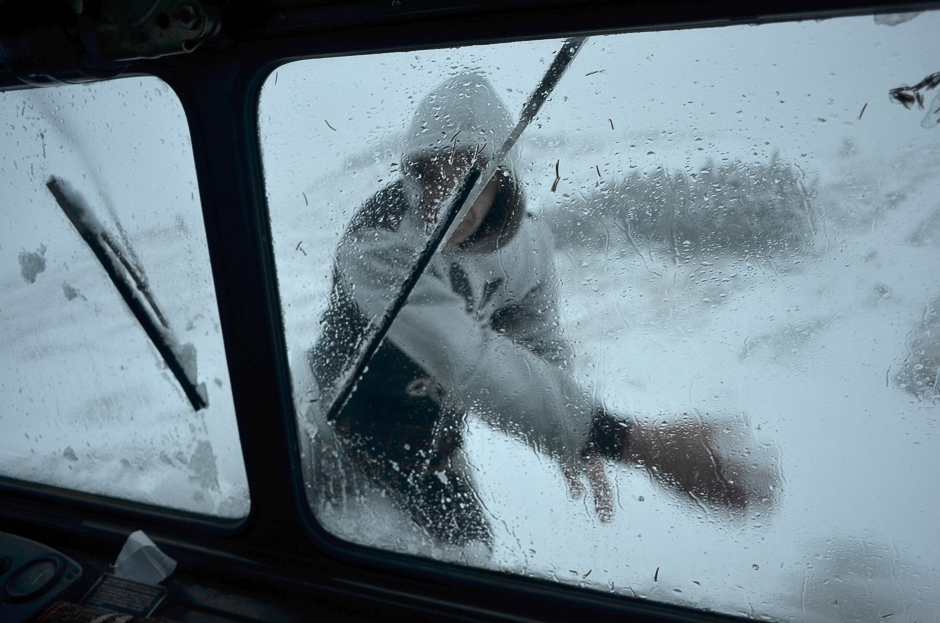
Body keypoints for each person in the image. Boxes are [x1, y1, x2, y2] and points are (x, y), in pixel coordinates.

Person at [299, 73, 777, 550]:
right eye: (432, 172)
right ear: (412, 175)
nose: (450, 194)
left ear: (502, 183)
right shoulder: (380, 241)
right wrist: (631, 442)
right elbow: (466, 357)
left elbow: (537, 341)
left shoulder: (524, 250)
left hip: (431, 448)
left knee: (467, 562)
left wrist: (574, 439)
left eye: (473, 173)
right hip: (327, 433)